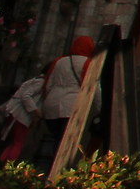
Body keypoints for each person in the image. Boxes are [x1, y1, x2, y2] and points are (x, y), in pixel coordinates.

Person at [35, 36, 96, 168]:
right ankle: (57, 170)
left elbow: (48, 84)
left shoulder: (59, 61)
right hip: (71, 106)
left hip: (51, 105)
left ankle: (47, 166)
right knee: (64, 141)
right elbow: (93, 87)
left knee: (54, 137)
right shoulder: (88, 63)